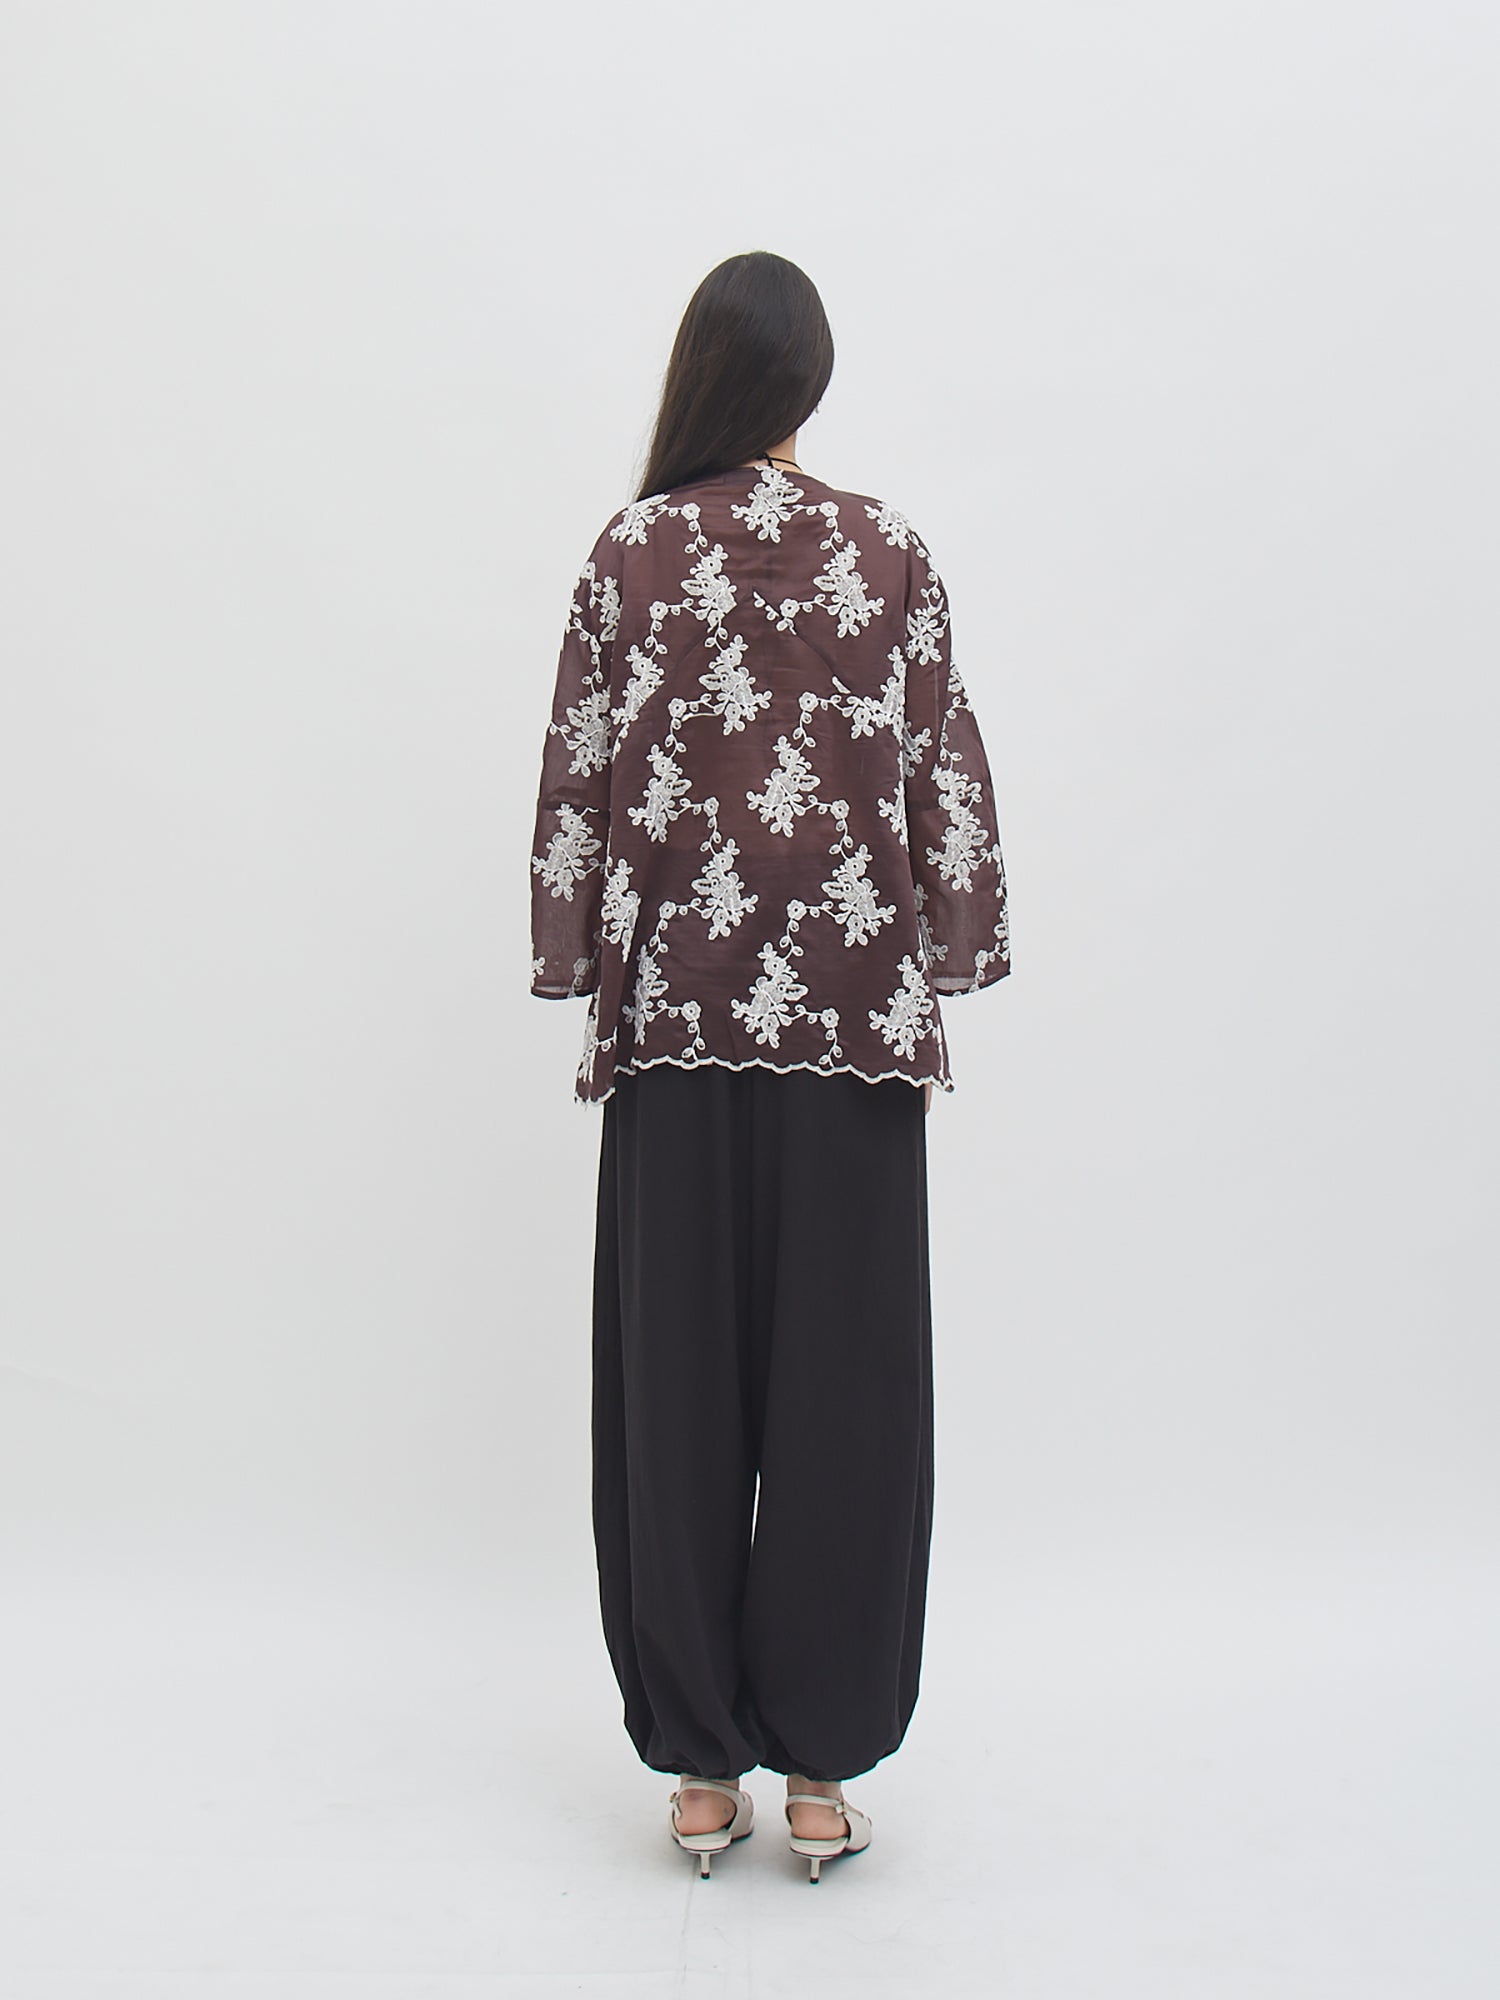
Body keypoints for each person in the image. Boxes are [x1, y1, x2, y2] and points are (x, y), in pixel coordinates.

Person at [528, 250, 1011, 1881]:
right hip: (852, 1036)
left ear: (704, 374)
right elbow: (944, 775)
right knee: (847, 1397)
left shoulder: (630, 553)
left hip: (675, 1028)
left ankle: (693, 1770)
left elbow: (578, 782)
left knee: (675, 1389)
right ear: (809, 382)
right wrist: (946, 947)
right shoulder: (890, 551)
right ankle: (816, 1774)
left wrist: (579, 958)